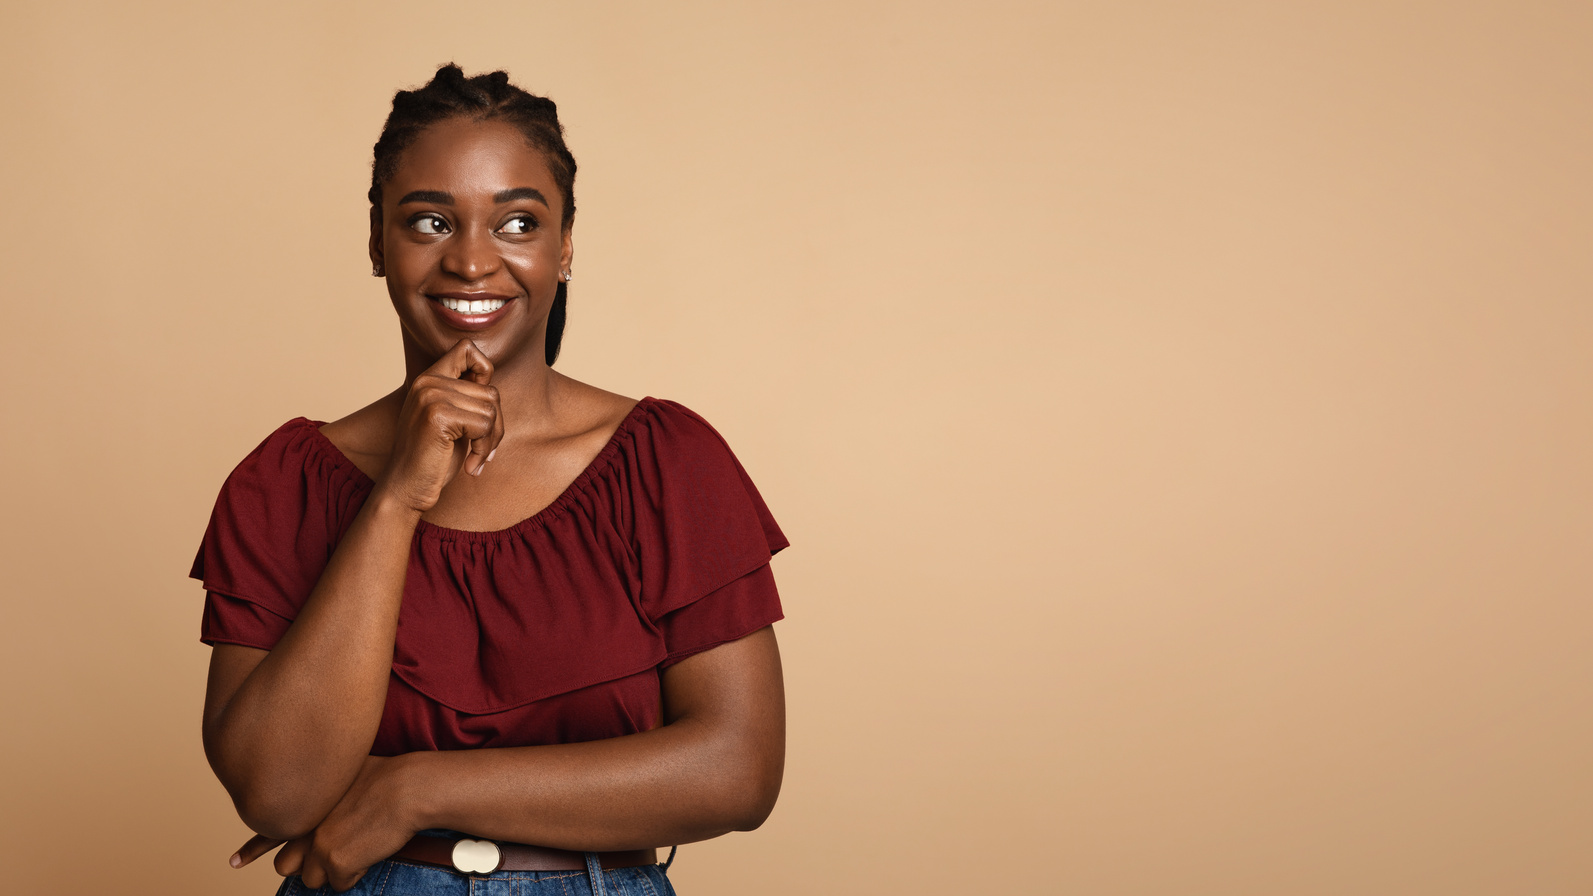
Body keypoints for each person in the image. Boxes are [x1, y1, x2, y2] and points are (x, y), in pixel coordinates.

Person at [190, 64, 788, 896]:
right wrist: (398, 494)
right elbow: (277, 792)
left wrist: (414, 788)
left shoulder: (665, 462)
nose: (472, 261)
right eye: (430, 221)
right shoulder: (283, 484)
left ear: (565, 245)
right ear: (376, 242)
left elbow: (738, 770)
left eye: (516, 222)